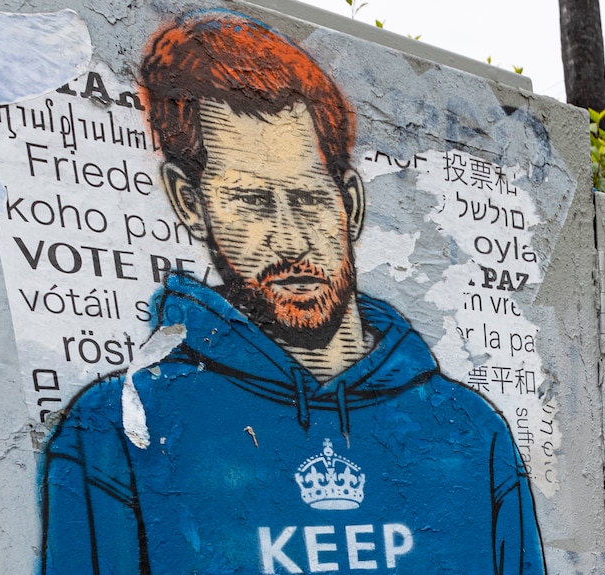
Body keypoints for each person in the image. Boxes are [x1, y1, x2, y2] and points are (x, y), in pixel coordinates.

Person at [40, 10, 545, 575]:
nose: (290, 239)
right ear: (189, 203)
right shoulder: (114, 433)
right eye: (252, 203)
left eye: (307, 200)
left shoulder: (471, 434)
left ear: (349, 204)